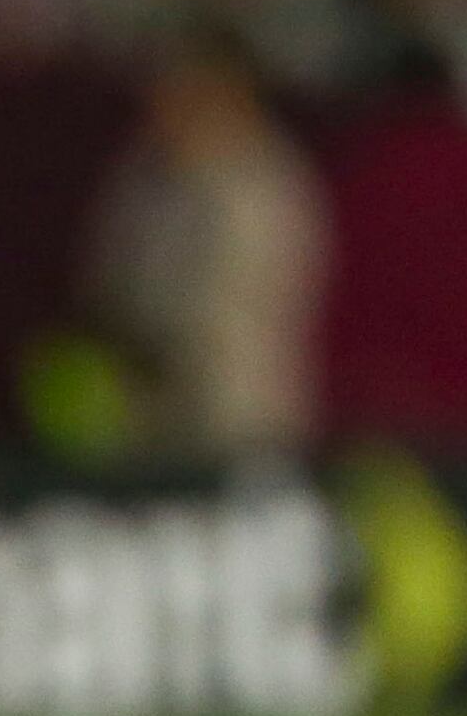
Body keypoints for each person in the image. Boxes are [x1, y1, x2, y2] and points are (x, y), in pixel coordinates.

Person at [84, 51, 330, 462]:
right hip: (145, 419)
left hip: (238, 421)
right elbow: (108, 279)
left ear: (234, 96)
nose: (167, 106)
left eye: (189, 92)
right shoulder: (144, 174)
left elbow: (238, 306)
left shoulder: (262, 187)